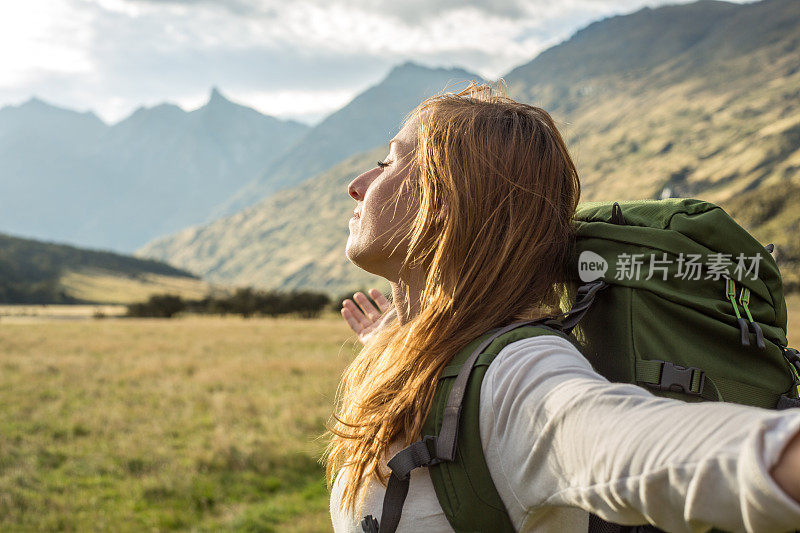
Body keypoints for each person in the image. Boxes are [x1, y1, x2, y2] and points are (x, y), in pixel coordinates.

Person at [324, 82, 800, 532]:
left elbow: (642, 451)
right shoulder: (430, 354)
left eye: (389, 163)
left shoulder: (518, 374)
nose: (357, 184)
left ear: (448, 198)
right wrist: (397, 339)